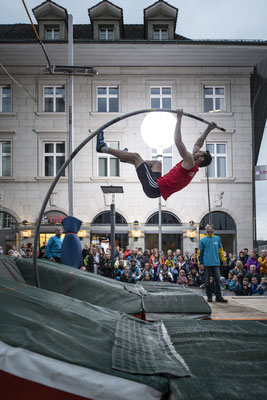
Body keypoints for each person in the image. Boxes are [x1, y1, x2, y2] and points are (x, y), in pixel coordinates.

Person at [96, 110, 215, 200]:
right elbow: (198, 143)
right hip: (157, 184)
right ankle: (125, 158)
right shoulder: (193, 163)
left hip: (154, 187)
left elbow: (178, 142)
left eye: (200, 151)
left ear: (201, 158)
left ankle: (103, 148)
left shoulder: (190, 161)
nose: (197, 150)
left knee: (136, 157)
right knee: (157, 163)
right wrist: (208, 129)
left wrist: (178, 118)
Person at [198, 224, 228, 303]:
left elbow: (220, 251)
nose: (208, 230)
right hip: (206, 264)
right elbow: (199, 253)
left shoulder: (217, 238)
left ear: (213, 230)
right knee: (207, 282)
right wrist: (200, 263)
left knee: (218, 281)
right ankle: (209, 297)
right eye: (207, 229)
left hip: (216, 263)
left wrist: (223, 260)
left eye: (209, 229)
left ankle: (218, 297)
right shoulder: (202, 240)